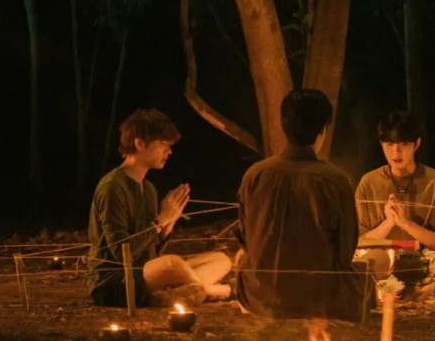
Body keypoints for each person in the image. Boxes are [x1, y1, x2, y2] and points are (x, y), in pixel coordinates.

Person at [234, 88, 373, 321]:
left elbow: (246, 236)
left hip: (259, 296)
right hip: (317, 298)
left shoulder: (255, 175)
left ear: (283, 125)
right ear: (323, 130)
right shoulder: (335, 180)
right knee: (368, 276)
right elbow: (345, 251)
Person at [86, 109, 232, 307]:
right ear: (139, 144)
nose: (169, 152)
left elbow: (151, 251)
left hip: (147, 273)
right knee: (172, 264)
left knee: (220, 260)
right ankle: (204, 290)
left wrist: (168, 224)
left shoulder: (149, 189)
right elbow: (121, 252)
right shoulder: (112, 187)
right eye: (163, 144)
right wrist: (160, 220)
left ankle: (182, 291)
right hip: (116, 282)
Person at [355, 110, 435, 298]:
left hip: (420, 260)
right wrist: (388, 224)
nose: (396, 152)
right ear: (381, 144)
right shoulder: (368, 182)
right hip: (383, 260)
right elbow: (359, 242)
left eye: (404, 144)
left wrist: (405, 224)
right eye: (389, 144)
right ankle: (416, 290)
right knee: (360, 261)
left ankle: (393, 291)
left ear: (417, 144)